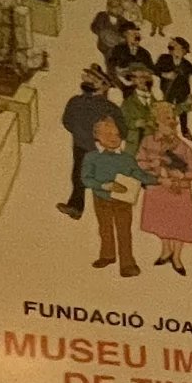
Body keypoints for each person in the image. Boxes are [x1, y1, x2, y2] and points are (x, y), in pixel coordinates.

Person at [136, 102, 192, 275]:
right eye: (166, 119)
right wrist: (154, 167)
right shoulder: (148, 141)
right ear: (157, 122)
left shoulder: (183, 147)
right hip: (158, 187)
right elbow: (139, 162)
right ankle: (166, 251)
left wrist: (181, 175)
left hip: (179, 190)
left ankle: (177, 257)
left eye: (172, 119)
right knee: (162, 221)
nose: (171, 122)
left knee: (179, 224)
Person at [81, 113, 141, 277]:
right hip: (101, 199)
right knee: (105, 228)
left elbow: (138, 174)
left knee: (124, 231)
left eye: (116, 134)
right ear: (97, 137)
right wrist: (104, 185)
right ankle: (107, 255)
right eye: (108, 135)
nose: (114, 138)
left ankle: (127, 264)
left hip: (123, 200)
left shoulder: (127, 158)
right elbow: (86, 179)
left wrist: (156, 180)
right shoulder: (92, 157)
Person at [56, 65, 117, 219]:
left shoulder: (108, 108)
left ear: (104, 86)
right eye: (89, 77)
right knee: (78, 174)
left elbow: (118, 128)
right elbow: (67, 121)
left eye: (95, 79)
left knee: (97, 178)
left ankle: (80, 208)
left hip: (98, 147)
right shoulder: (76, 101)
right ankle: (76, 207)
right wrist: (80, 132)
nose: (90, 80)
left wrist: (101, 139)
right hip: (80, 143)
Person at [152, 37, 192, 139]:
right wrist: (165, 75)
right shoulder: (164, 58)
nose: (171, 47)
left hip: (182, 91)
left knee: (183, 111)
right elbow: (154, 69)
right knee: (167, 110)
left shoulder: (186, 64)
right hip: (168, 89)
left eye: (175, 46)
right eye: (171, 45)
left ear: (183, 50)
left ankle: (184, 131)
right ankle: (166, 131)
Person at [118, 65, 158, 151]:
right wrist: (135, 123)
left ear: (147, 79)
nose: (140, 80)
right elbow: (121, 121)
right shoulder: (127, 103)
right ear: (132, 80)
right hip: (134, 144)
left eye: (143, 77)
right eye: (136, 77)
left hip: (153, 145)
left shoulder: (155, 100)